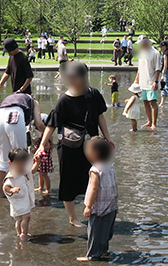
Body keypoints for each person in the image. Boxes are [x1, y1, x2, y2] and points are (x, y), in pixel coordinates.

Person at [37, 61, 112, 226]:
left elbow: (100, 116)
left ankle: (92, 209)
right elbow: (52, 123)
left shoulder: (94, 94)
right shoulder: (64, 100)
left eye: (75, 77)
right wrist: (43, 144)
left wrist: (107, 137)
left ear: (84, 77)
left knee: (94, 178)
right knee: (69, 181)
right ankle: (73, 217)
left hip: (91, 146)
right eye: (69, 78)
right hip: (69, 148)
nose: (71, 81)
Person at [0, 91, 45, 199]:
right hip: (14, 115)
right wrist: (47, 135)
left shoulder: (11, 97)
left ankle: (0, 193)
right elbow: (39, 123)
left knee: (2, 158)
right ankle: (24, 191)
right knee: (22, 156)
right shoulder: (33, 100)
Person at [77, 137, 119, 262]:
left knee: (94, 232)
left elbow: (94, 189)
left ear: (94, 154)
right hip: (111, 206)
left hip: (99, 207)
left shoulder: (95, 170)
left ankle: (92, 255)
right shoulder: (110, 166)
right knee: (105, 232)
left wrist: (89, 206)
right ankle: (103, 250)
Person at [2, 148, 37, 240]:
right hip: (17, 201)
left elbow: (32, 171)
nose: (21, 166)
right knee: (27, 216)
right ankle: (24, 234)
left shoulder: (24, 172)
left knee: (19, 219)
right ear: (11, 164)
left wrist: (37, 162)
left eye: (23, 164)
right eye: (18, 164)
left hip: (23, 200)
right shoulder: (12, 176)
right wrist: (12, 189)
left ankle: (19, 233)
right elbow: (6, 187)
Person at [133, 36, 162, 129]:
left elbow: (158, 69)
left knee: (153, 102)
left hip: (152, 81)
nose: (140, 46)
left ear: (146, 43)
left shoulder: (155, 53)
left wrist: (156, 81)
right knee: (145, 102)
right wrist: (136, 80)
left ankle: (154, 123)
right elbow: (139, 68)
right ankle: (149, 121)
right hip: (143, 81)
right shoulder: (141, 53)